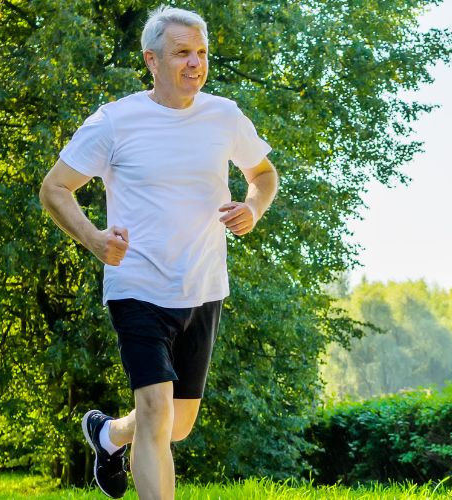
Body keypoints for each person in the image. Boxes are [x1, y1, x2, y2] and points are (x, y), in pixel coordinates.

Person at [38, 5, 278, 499]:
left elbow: (264, 175)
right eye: (182, 53)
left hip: (203, 286)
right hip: (138, 287)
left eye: (202, 53)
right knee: (154, 412)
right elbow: (54, 189)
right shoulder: (115, 121)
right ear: (151, 59)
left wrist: (253, 209)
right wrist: (95, 239)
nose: (195, 64)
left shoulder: (224, 116)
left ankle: (107, 436)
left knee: (177, 424)